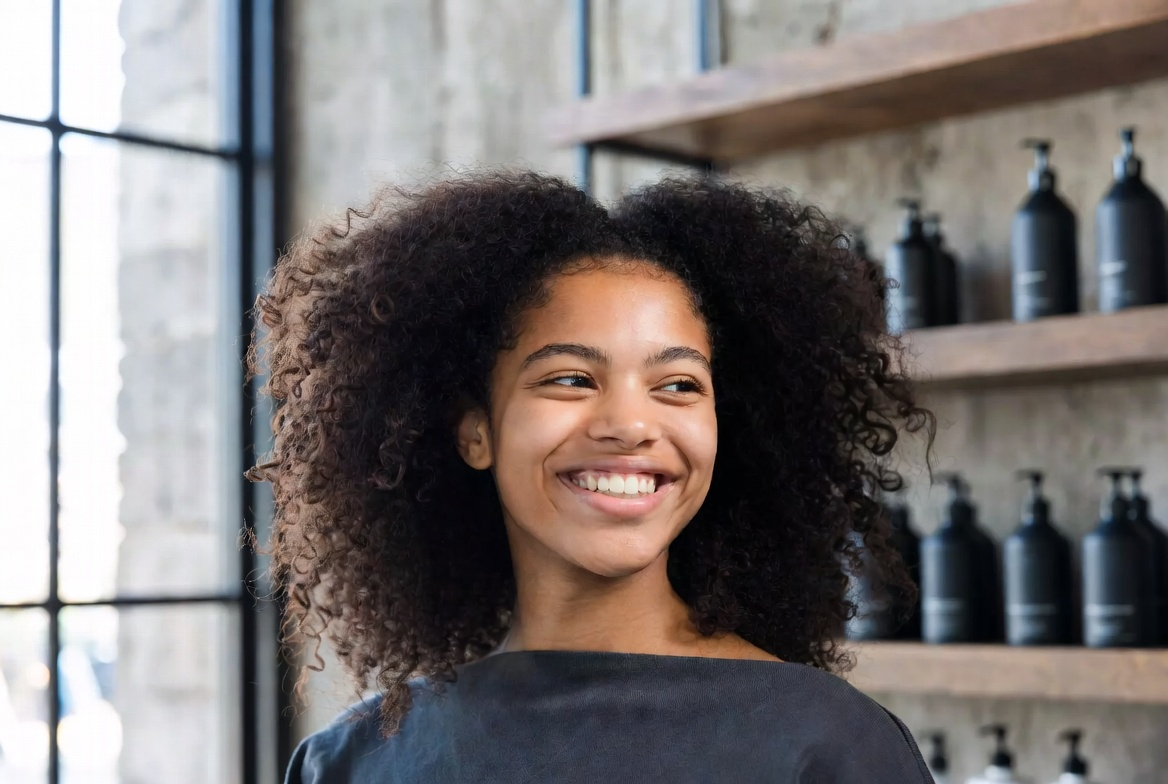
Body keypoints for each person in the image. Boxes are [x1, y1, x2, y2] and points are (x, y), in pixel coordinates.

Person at [250, 171, 935, 783]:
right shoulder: (352, 762)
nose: (630, 424)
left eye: (677, 385)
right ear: (475, 430)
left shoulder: (828, 747)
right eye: (571, 378)